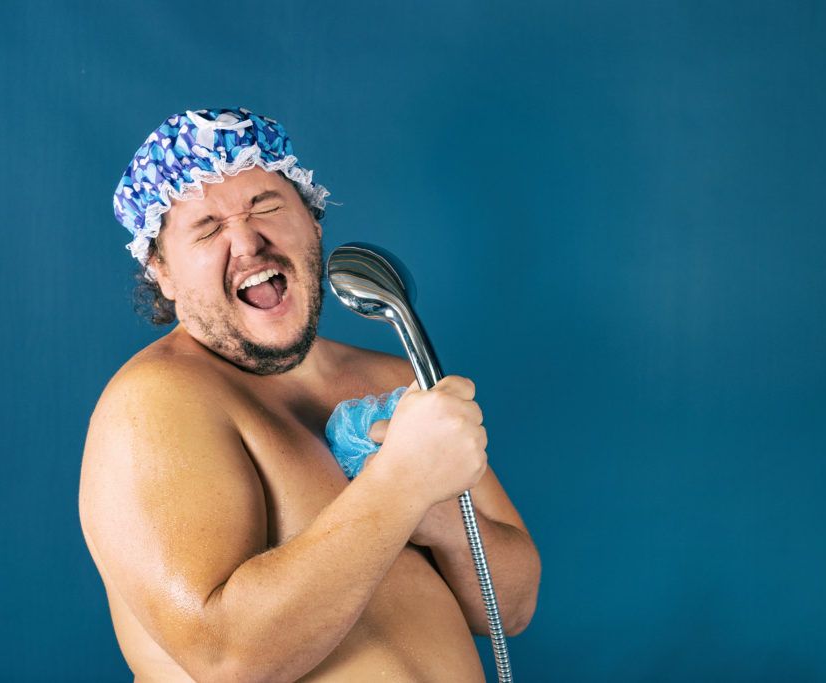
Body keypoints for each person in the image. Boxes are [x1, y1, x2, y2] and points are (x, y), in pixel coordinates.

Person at [78, 107, 541, 682]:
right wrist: (401, 484)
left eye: (266, 206)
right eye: (207, 228)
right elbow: (227, 658)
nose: (247, 241)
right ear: (163, 274)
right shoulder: (153, 404)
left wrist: (438, 513)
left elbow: (513, 608)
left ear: (314, 223)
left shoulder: (391, 376)